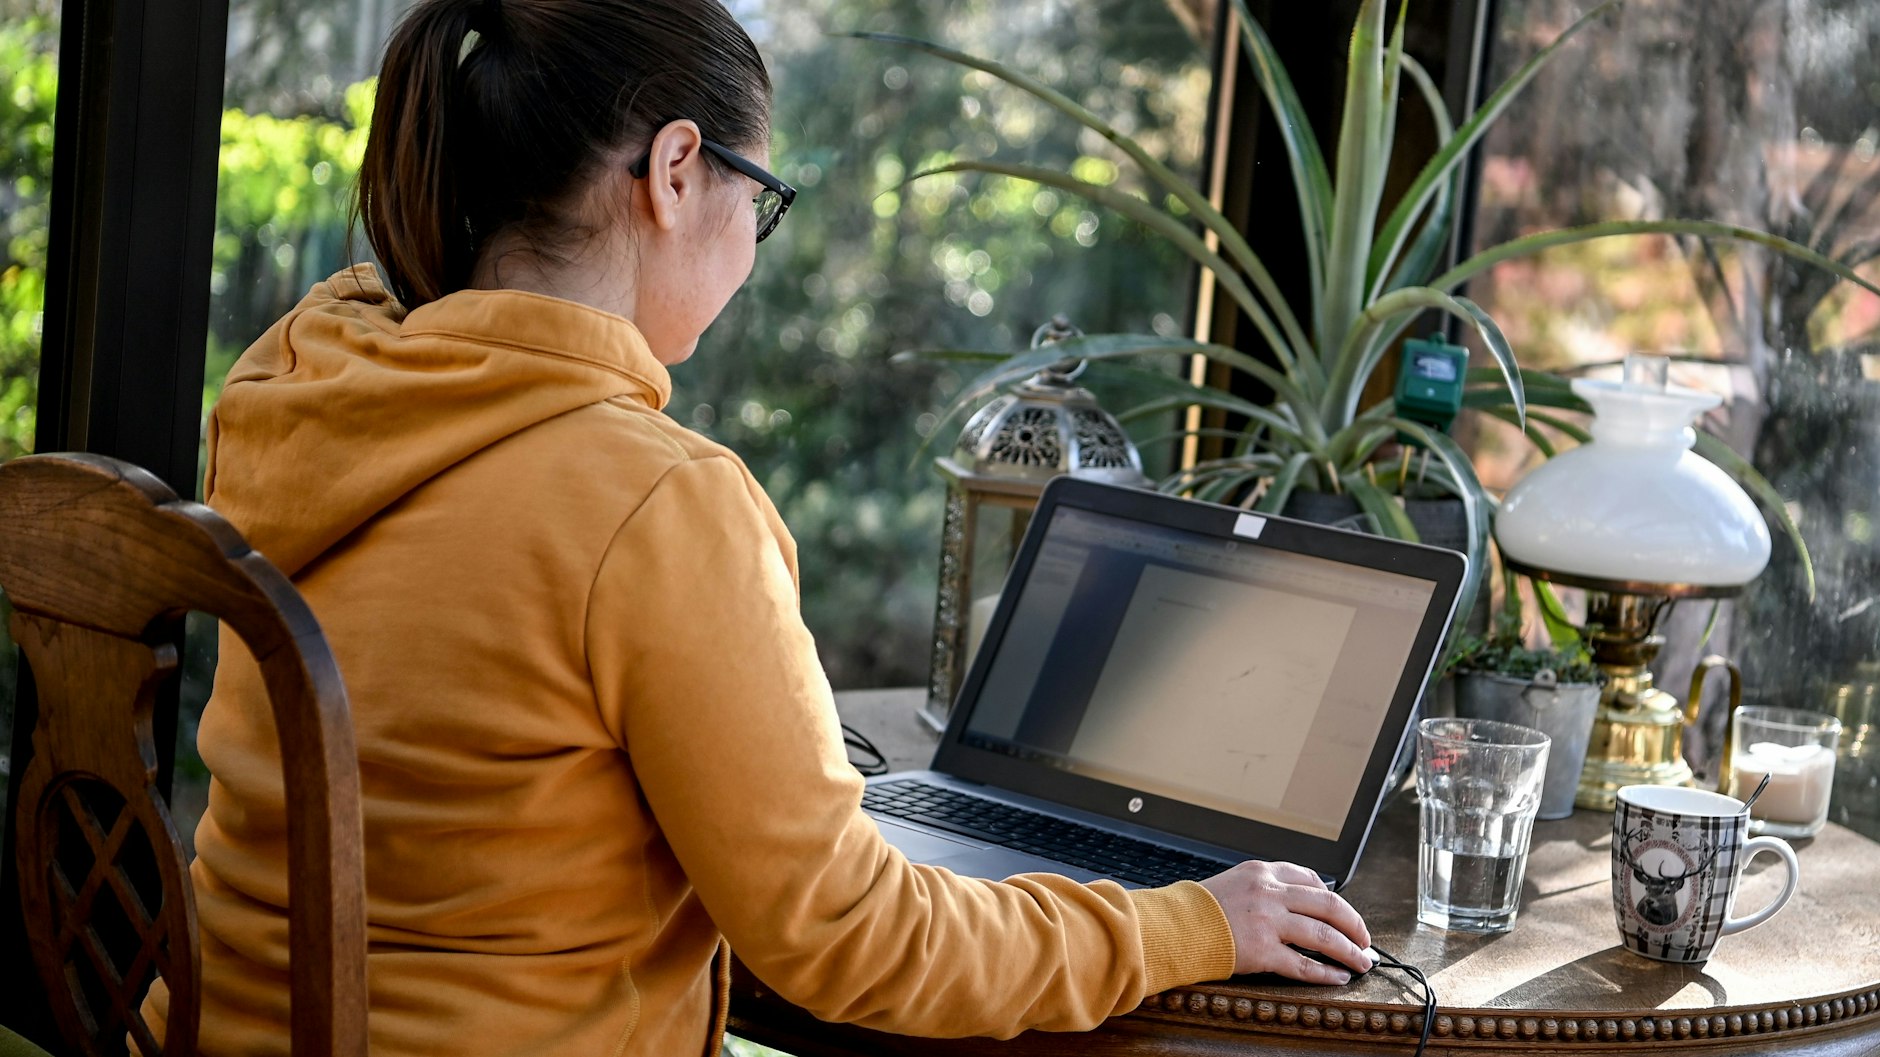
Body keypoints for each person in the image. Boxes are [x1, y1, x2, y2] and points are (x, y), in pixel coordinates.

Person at [147, 0, 1372, 1053]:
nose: (753, 243)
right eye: (762, 197)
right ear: (676, 170)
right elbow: (856, 942)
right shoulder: (651, 500)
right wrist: (1195, 920)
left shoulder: (309, 387)